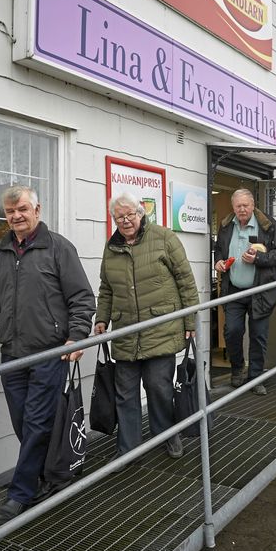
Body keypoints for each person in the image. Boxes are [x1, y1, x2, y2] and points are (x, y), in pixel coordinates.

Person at [0, 185, 96, 526]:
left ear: (37, 209)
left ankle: (20, 494)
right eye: (10, 212)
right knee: (25, 422)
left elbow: (82, 298)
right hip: (13, 354)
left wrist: (76, 337)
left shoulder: (59, 248)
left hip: (50, 353)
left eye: (22, 209)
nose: (16, 216)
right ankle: (49, 473)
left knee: (35, 422)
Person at [94, 193, 199, 461]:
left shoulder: (164, 238)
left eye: (130, 214)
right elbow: (106, 288)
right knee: (125, 394)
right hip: (126, 332)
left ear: (141, 213)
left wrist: (190, 320)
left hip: (159, 328)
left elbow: (185, 279)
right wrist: (102, 319)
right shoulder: (112, 247)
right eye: (120, 217)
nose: (126, 220)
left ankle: (166, 435)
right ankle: (127, 449)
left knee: (159, 388)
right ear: (114, 219)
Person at [214, 189, 276, 395]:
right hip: (234, 291)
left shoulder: (268, 225)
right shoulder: (227, 225)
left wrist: (258, 259)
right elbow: (219, 249)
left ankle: (256, 378)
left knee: (258, 336)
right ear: (233, 207)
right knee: (232, 331)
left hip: (260, 291)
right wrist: (218, 262)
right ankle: (237, 369)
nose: (242, 209)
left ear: (253, 205)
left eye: (246, 205)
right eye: (238, 206)